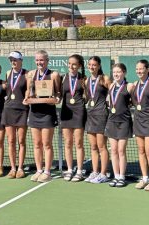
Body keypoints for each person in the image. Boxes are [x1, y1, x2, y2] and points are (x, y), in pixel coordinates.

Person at [25, 50, 61, 183]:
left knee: (46, 143)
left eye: (42, 60)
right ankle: (39, 170)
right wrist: (27, 99)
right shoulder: (31, 74)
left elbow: (58, 95)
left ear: (47, 61)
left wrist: (54, 99)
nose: (39, 62)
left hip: (47, 114)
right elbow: (28, 93)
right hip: (34, 113)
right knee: (36, 144)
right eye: (37, 60)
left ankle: (47, 171)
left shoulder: (53, 75)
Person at [104, 63, 134, 188]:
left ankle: (122, 177)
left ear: (124, 73)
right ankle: (116, 176)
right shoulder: (111, 86)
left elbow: (135, 100)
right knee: (114, 151)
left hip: (124, 121)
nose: (116, 74)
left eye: (119, 72)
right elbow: (109, 101)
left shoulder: (129, 86)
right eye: (114, 72)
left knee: (121, 150)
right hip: (111, 121)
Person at [132, 60, 149, 191]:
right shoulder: (134, 85)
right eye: (137, 69)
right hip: (137, 121)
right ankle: (144, 178)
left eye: (141, 69)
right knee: (141, 151)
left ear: (147, 69)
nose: (139, 71)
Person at [1, 51, 29, 179]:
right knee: (11, 141)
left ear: (21, 60)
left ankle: (21, 168)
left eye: (15, 59)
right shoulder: (7, 73)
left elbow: (29, 91)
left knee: (21, 141)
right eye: (11, 59)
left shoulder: (27, 74)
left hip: (22, 110)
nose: (13, 62)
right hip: (8, 110)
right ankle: (13, 168)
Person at [84, 56, 111, 184]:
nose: (92, 67)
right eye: (90, 64)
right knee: (93, 146)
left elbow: (113, 93)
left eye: (94, 65)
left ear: (99, 66)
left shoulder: (104, 79)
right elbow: (88, 97)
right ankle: (95, 171)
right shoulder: (86, 81)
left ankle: (103, 173)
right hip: (90, 115)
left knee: (101, 146)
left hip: (101, 115)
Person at [61, 54, 87, 182]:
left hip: (79, 113)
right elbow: (58, 95)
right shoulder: (62, 78)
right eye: (69, 63)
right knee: (68, 143)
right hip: (66, 114)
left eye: (74, 64)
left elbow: (88, 96)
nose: (71, 66)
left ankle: (80, 171)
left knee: (78, 143)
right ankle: (70, 169)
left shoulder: (84, 79)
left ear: (79, 66)